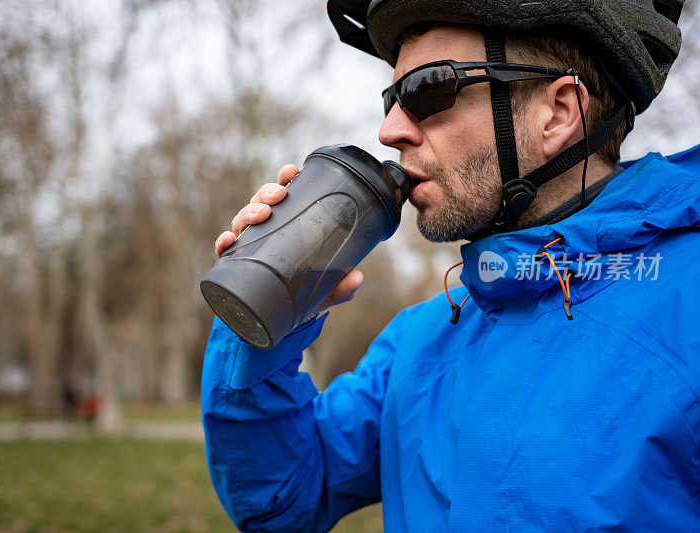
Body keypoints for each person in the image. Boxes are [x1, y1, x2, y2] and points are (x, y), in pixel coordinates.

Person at [202, 0, 700, 530]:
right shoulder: (422, 340)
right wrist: (268, 307)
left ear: (557, 112)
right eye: (392, 98)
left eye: (428, 89)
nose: (389, 129)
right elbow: (281, 499)